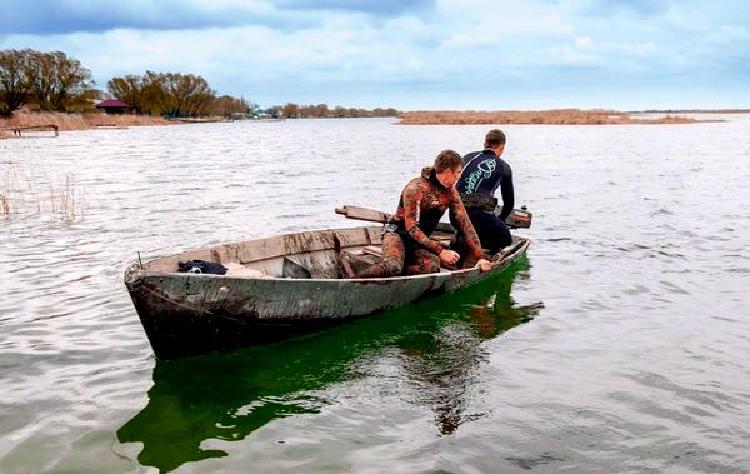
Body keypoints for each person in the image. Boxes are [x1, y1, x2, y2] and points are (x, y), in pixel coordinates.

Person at [354, 150, 491, 278]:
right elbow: (411, 229)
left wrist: (480, 257)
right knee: (392, 267)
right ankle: (355, 280)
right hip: (398, 234)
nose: (458, 177)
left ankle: (403, 268)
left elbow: (465, 223)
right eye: (458, 172)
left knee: (432, 267)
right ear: (448, 171)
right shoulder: (416, 189)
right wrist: (441, 251)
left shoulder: (450, 193)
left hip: (420, 242)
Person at [453, 129, 514, 255]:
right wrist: (500, 219)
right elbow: (509, 203)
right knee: (507, 240)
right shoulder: (504, 167)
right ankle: (480, 245)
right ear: (502, 147)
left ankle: (461, 237)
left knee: (472, 220)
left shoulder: (466, 158)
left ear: (485, 143)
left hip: (455, 217)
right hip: (482, 218)